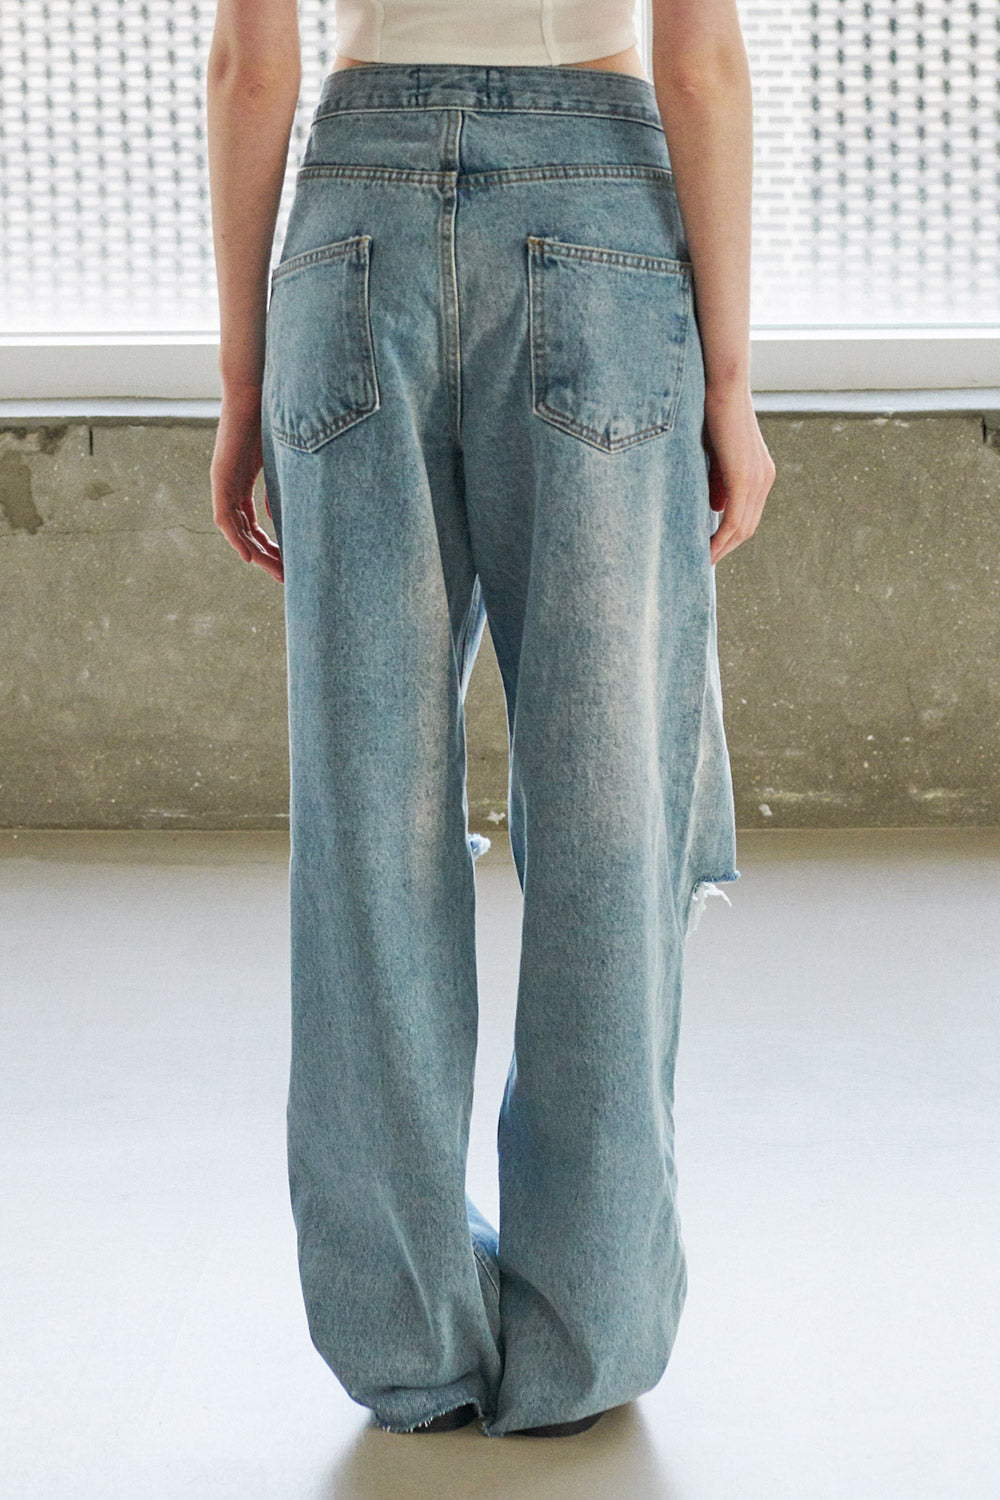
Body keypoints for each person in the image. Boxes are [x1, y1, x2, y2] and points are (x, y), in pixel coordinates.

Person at [207, 0, 775, 1441]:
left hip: (354, 231)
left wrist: (239, 383)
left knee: (367, 823)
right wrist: (729, 383)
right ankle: (589, 1330)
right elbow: (700, 60)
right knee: (609, 821)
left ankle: (405, 1339)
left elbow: (252, 63)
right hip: (598, 220)